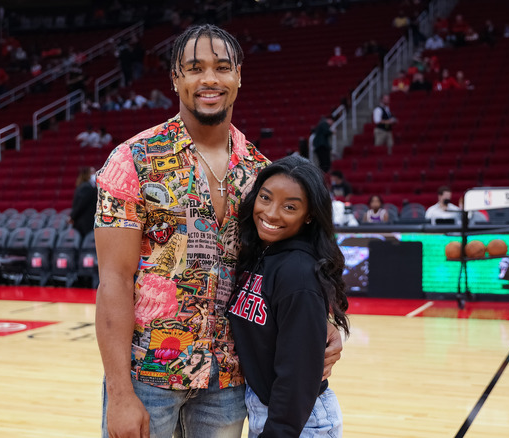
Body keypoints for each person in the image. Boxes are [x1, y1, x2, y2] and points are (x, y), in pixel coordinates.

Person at [94, 24, 343, 438]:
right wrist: (119, 393)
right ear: (176, 79)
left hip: (228, 381)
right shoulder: (132, 161)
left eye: (222, 67)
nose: (209, 78)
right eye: (194, 68)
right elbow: (113, 281)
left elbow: (295, 259)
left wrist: (325, 318)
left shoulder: (262, 173)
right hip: (147, 375)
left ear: (239, 76)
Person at [229, 155, 349, 437]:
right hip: (271, 410)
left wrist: (279, 430)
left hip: (298, 422)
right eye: (266, 198)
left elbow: (297, 374)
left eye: (290, 207)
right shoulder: (262, 255)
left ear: (309, 216)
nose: (271, 213)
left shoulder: (298, 273)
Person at [69, 167, 98, 238]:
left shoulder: (88, 186)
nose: (94, 174)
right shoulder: (86, 187)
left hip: (85, 221)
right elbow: (80, 205)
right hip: (84, 222)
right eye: (92, 172)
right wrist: (72, 217)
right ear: (86, 174)